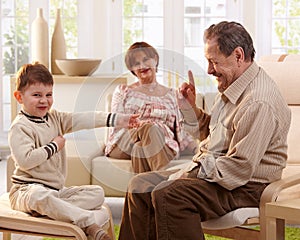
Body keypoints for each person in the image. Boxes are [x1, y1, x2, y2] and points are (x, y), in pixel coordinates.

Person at [118, 21, 291, 240]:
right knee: (139, 185)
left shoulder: (258, 102)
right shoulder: (234, 85)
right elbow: (217, 137)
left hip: (247, 186)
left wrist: (189, 172)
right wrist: (190, 109)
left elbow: (239, 168)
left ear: (238, 56)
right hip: (222, 175)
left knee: (169, 195)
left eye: (213, 62)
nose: (209, 70)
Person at [8, 62, 139, 240]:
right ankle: (88, 224)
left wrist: (121, 120)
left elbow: (85, 118)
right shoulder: (20, 127)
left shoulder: (55, 117)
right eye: (36, 95)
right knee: (39, 196)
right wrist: (54, 146)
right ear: (19, 97)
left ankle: (51, 208)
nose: (44, 100)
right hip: (26, 191)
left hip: (56, 192)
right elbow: (26, 160)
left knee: (97, 193)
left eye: (48, 94)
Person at [105, 41, 197, 173]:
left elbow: (180, 130)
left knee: (140, 149)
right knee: (149, 128)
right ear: (132, 69)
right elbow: (117, 123)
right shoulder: (124, 91)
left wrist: (196, 148)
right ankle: (164, 178)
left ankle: (146, 191)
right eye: (136, 63)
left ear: (155, 59)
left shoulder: (172, 95)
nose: (141, 65)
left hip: (164, 144)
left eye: (145, 59)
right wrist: (143, 126)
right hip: (124, 142)